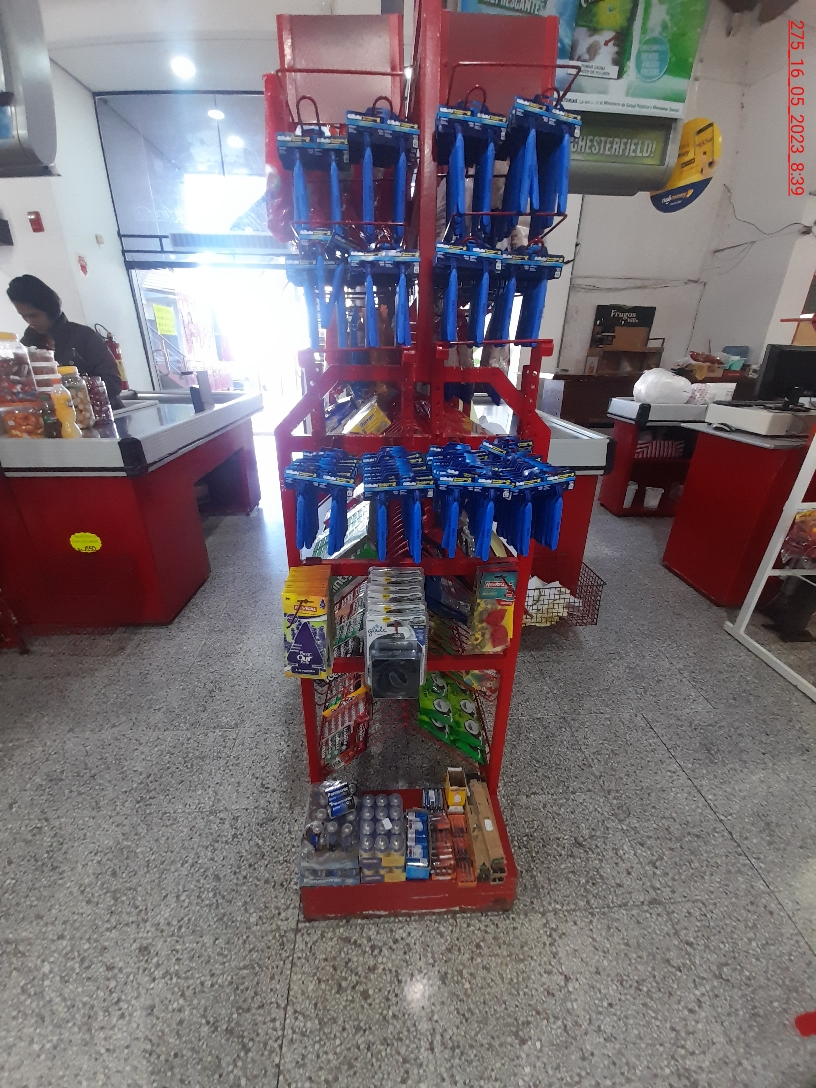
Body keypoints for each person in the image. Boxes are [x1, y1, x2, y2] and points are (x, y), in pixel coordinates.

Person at [6, 275, 123, 408]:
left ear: (48, 309)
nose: (29, 322)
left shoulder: (84, 336)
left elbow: (113, 383)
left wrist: (74, 389)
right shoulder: (26, 346)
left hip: (101, 413)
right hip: (54, 417)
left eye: (33, 315)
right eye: (23, 316)